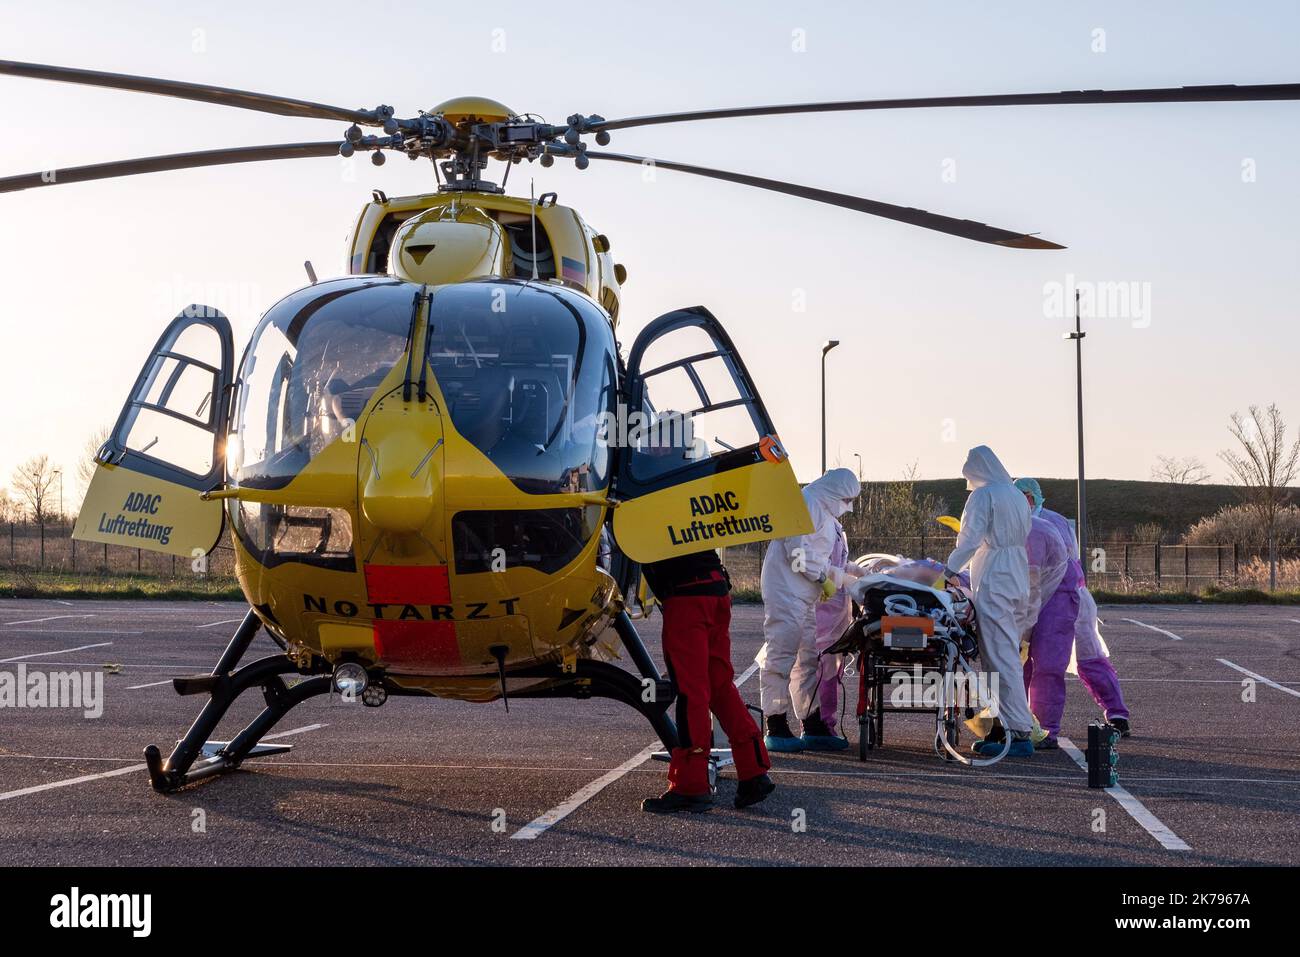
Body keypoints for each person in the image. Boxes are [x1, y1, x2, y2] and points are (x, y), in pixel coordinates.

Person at [638, 414, 775, 814]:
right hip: (717, 589)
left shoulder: (653, 475)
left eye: (651, 440)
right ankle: (754, 771)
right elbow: (731, 469)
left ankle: (692, 783)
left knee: (691, 691)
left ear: (663, 444)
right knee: (719, 686)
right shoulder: (696, 471)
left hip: (687, 598)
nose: (645, 446)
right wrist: (756, 452)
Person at [757, 468, 865, 752]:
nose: (847, 506)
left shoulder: (824, 513)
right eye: (846, 498)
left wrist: (847, 575)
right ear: (834, 491)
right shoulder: (806, 503)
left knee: (808, 659)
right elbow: (797, 553)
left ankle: (811, 722)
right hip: (786, 591)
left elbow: (818, 559)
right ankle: (776, 723)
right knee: (781, 656)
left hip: (804, 595)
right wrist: (822, 578)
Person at [1014, 478, 1131, 736]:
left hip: (1064, 597)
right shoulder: (1026, 523)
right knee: (1024, 661)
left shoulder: (1048, 523)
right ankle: (1023, 722)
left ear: (1029, 498)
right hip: (1041, 598)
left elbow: (1056, 568)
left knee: (1073, 660)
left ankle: (1111, 714)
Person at [944, 446, 1036, 757]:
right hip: (1017, 576)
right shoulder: (1013, 494)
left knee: (999, 657)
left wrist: (948, 569)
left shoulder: (984, 496)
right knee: (1003, 653)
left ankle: (1018, 731)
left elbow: (969, 539)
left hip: (995, 576)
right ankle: (1000, 728)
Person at [1020, 512, 1076, 749]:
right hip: (1035, 596)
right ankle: (1016, 724)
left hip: (1056, 596)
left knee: (1047, 665)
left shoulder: (1038, 528)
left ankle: (1042, 728)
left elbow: (1033, 577)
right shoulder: (1036, 524)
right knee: (1017, 665)